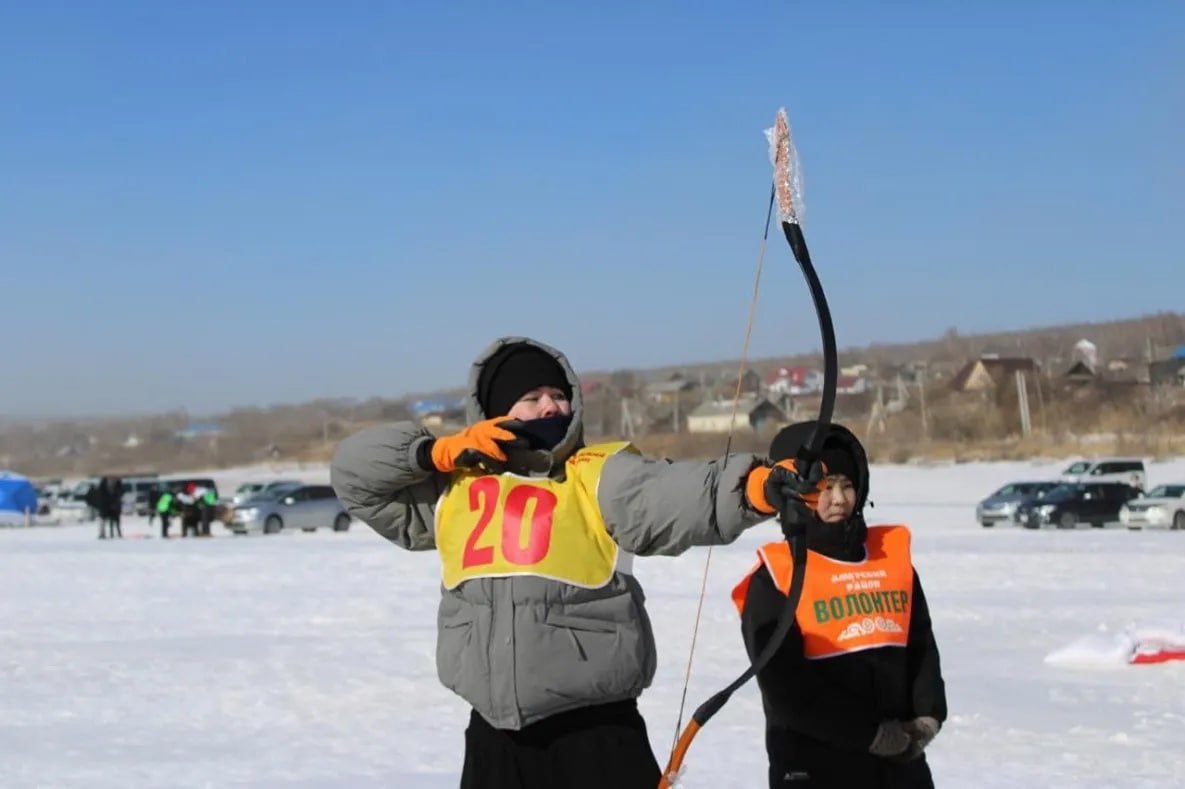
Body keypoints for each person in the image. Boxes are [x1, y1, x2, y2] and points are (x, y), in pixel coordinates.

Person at [330, 336, 799, 789]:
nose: (550, 407)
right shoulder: (454, 485)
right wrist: (431, 452)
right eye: (531, 398)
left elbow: (675, 495)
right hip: (494, 742)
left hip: (595, 740)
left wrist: (756, 488)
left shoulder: (596, 473)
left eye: (558, 395)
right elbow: (353, 473)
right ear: (494, 412)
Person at [730, 421, 948, 789]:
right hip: (817, 768)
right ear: (795, 494)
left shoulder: (889, 560)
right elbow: (786, 689)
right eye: (823, 488)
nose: (839, 499)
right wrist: (869, 735)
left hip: (900, 767)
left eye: (847, 485)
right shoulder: (774, 578)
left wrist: (927, 716)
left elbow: (921, 646)